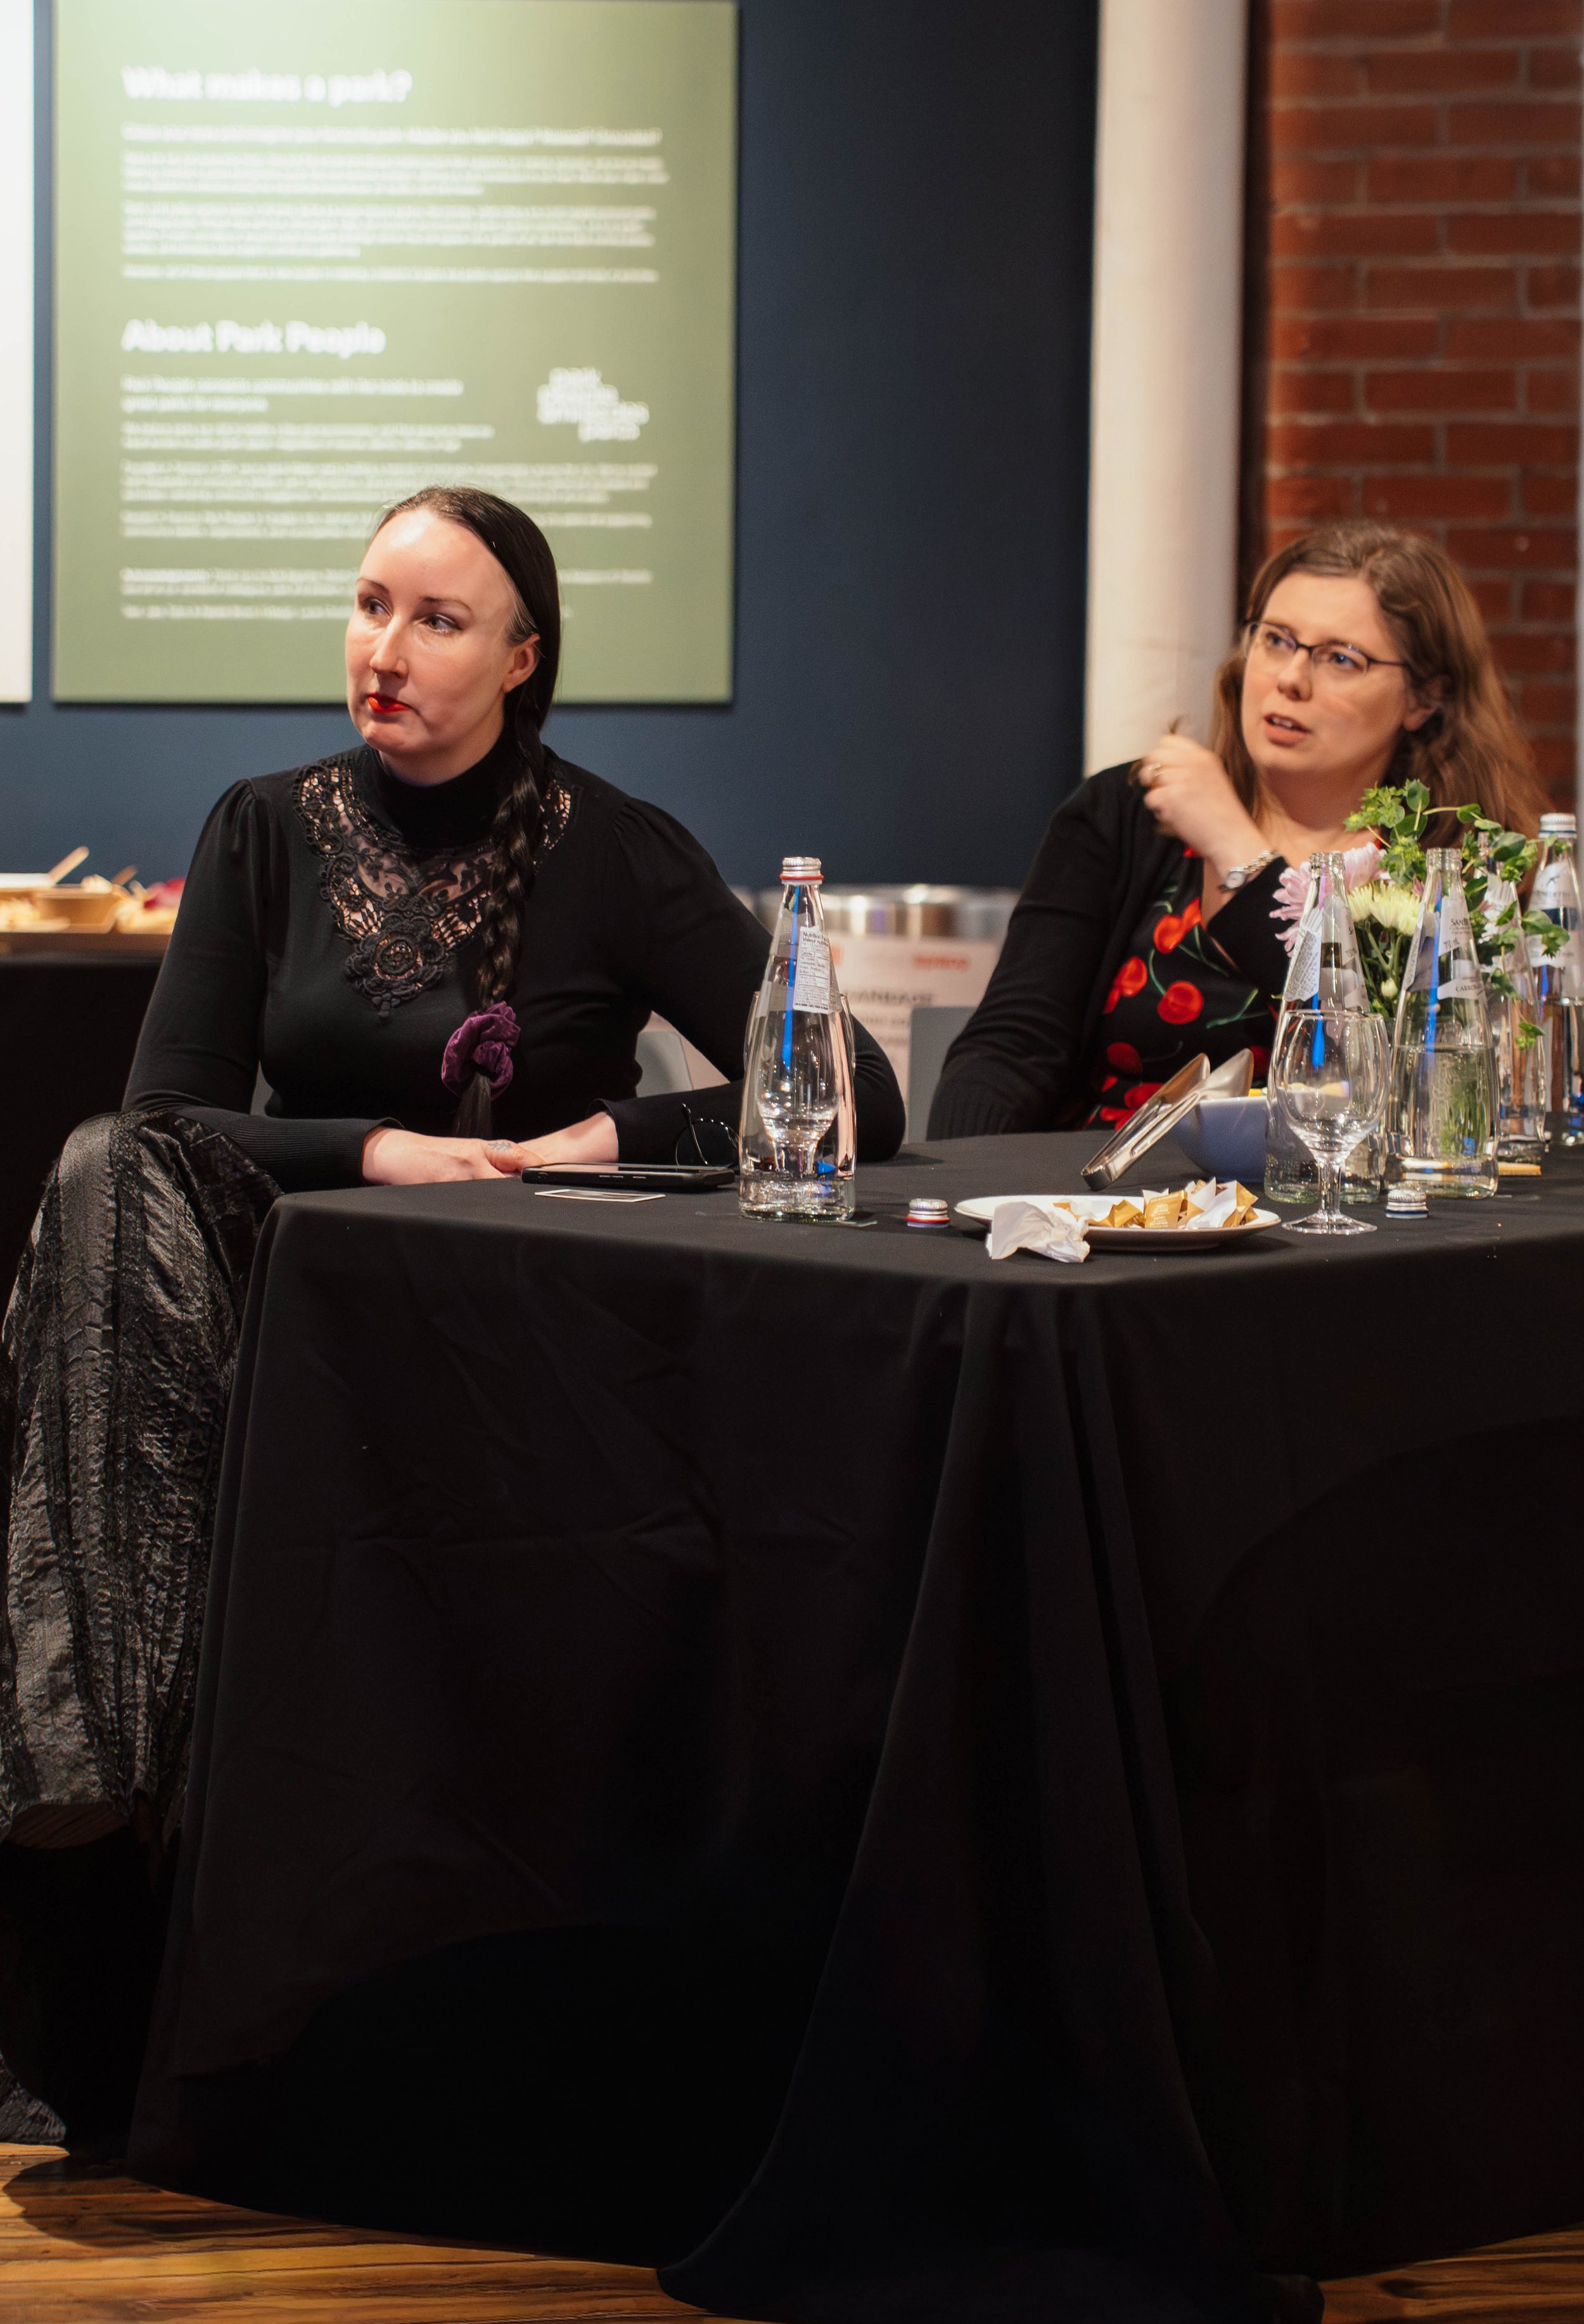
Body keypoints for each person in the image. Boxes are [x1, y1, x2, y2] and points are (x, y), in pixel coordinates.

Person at [0, 486, 903, 2140]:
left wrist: (602, 1133)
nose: (385, 652)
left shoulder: (610, 846)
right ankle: (93, 1771)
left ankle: (76, 1773)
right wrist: (375, 1149)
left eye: (435, 620)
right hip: (292, 1295)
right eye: (366, 606)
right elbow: (171, 1120)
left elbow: (851, 1089)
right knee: (96, 1175)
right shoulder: (261, 824)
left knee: (94, 1195)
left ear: (522, 655)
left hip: (509, 1336)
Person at [929, 520, 1547, 1139]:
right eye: (1275, 640)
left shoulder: (1454, 862)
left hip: (1351, 1218)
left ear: (1423, 698)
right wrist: (957, 1200)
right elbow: (1012, 1047)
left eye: (1340, 658)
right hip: (1115, 1212)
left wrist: (1238, 854)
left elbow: (1411, 1095)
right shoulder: (1129, 813)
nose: (1290, 679)